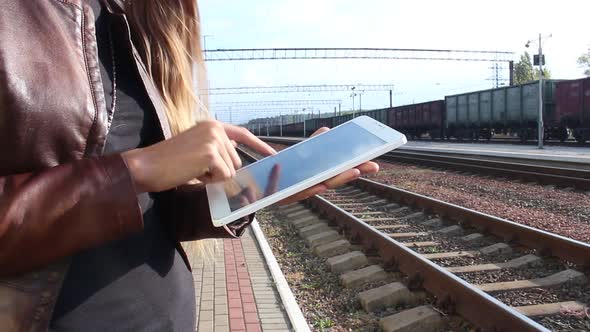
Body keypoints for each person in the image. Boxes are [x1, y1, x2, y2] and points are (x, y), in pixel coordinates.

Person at [0, 0, 379, 331]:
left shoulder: (123, 19)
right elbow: (134, 178)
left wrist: (255, 190)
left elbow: (148, 211)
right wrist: (137, 168)